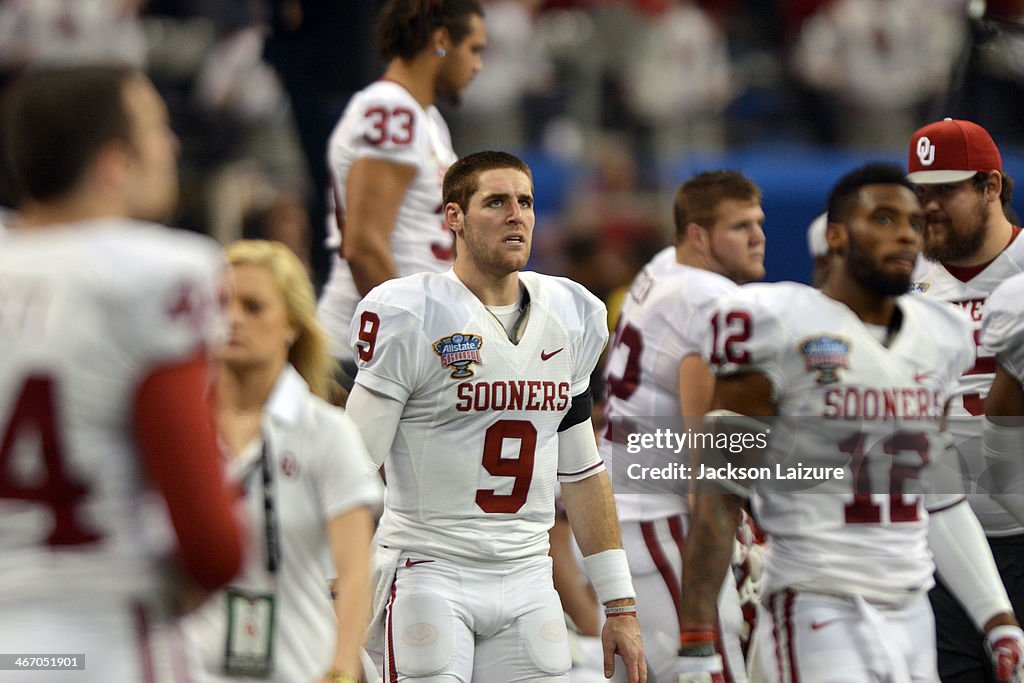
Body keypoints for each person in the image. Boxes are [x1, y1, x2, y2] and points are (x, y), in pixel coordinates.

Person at [676, 163, 1024, 682]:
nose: (907, 231)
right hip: (819, 601)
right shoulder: (776, 325)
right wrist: (698, 639)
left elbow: (940, 497)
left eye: (912, 220)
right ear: (835, 237)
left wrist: (996, 618)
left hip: (913, 608)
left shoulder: (940, 333)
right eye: (883, 218)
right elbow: (719, 491)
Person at [345, 150, 646, 683]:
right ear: (453, 217)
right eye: (497, 201)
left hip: (530, 575)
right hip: (429, 570)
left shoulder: (571, 314)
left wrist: (619, 604)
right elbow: (349, 469)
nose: (517, 214)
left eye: (526, 201)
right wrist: (331, 588)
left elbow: (581, 471)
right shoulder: (409, 313)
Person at [0, 64, 245, 680]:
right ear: (114, 164)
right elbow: (213, 547)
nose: (173, 145)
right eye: (157, 128)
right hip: (102, 637)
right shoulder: (152, 272)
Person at [183, 240, 382, 683]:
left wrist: (342, 671)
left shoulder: (327, 432)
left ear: (291, 324)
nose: (232, 319)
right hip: (191, 666)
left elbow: (353, 574)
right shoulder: (180, 430)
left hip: (297, 666)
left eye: (253, 307)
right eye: (220, 304)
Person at [600, 170, 766, 683]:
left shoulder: (662, 265)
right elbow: (706, 448)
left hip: (628, 505)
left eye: (758, 222)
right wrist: (734, 531)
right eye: (739, 227)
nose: (759, 236)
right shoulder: (711, 299)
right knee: (712, 673)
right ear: (698, 235)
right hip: (661, 519)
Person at [906, 117, 1024, 681]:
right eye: (921, 191)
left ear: (991, 186)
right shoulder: (899, 282)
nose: (928, 206)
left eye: (946, 190)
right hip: (935, 543)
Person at [317, 0, 487, 386]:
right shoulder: (391, 109)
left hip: (391, 345)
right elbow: (364, 247)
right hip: (364, 353)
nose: (478, 65)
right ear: (441, 40)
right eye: (474, 49)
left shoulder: (427, 119)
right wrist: (416, 346)